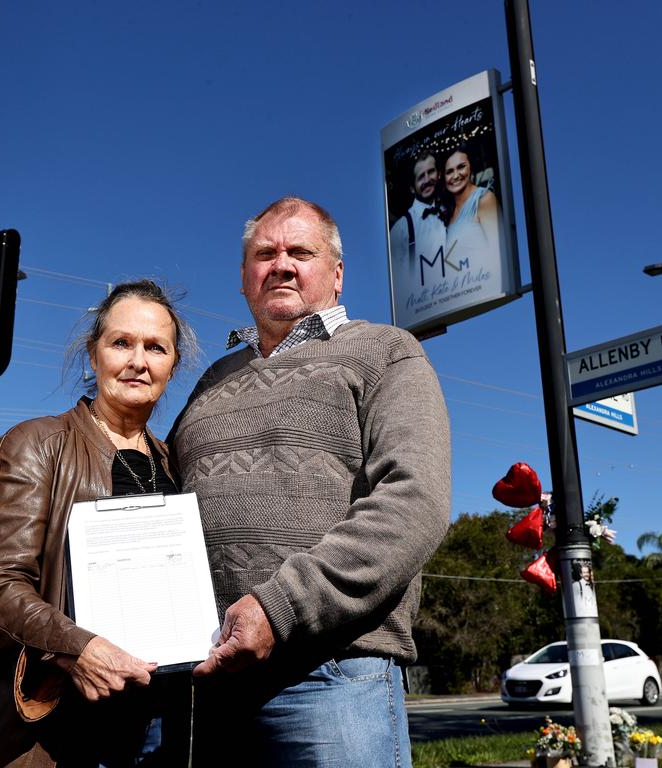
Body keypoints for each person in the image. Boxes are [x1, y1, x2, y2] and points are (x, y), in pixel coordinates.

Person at [169, 196, 451, 767]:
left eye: (301, 251)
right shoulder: (209, 383)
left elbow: (413, 500)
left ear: (337, 274)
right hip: (208, 679)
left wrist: (279, 609)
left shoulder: (385, 352)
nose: (282, 264)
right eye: (264, 253)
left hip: (333, 672)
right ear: (244, 278)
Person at [0, 279, 197, 768]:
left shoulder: (176, 466)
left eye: (155, 348)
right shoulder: (38, 444)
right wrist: (77, 648)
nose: (138, 361)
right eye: (121, 343)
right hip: (56, 730)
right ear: (93, 352)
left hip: (157, 727)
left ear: (173, 363)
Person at [388, 150, 447, 278]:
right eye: (421, 177)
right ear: (412, 188)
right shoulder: (401, 229)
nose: (427, 180)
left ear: (439, 174)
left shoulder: (451, 209)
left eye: (431, 172)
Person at [442, 143, 500, 269]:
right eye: (449, 171)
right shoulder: (447, 212)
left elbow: (499, 254)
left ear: (471, 168)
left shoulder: (484, 199)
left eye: (461, 167)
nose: (456, 175)